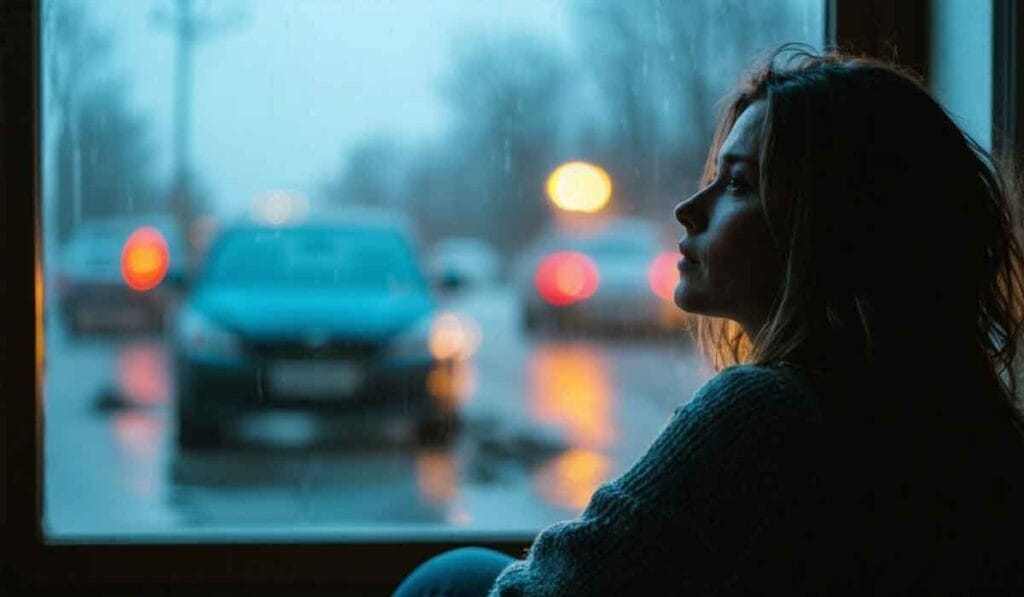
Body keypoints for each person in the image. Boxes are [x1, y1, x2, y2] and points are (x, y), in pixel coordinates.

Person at [394, 45, 1024, 596]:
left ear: (835, 228)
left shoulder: (767, 413)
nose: (688, 209)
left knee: (454, 577)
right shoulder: (966, 424)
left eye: (739, 185)